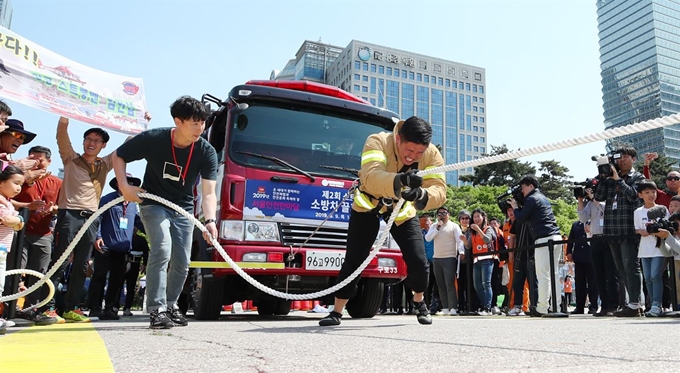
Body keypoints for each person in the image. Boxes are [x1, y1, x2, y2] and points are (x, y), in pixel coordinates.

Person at [318, 116, 446, 326]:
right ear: (398, 139)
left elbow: (440, 190)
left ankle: (419, 302)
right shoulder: (377, 141)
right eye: (409, 151)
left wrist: (421, 195)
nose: (413, 157)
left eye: (419, 153)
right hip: (368, 205)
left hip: (401, 209)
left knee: (419, 260)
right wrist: (401, 180)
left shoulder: (431, 153)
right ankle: (337, 311)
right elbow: (371, 176)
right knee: (355, 259)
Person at [113, 96, 218, 329]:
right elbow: (118, 156)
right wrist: (124, 186)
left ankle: (171, 304)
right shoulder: (155, 138)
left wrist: (210, 220)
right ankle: (157, 309)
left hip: (184, 208)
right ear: (178, 121)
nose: (199, 129)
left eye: (202, 123)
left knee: (182, 260)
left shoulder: (206, 151)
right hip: (153, 202)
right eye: (194, 123)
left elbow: (209, 192)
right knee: (161, 249)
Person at [40, 117, 118, 322]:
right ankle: (46, 307)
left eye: (97, 141)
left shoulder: (105, 164)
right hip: (70, 214)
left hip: (92, 218)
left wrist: (139, 124)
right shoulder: (70, 158)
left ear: (103, 145)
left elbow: (126, 149)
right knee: (61, 261)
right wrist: (64, 115)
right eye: (88, 139)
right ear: (83, 141)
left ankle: (71, 308)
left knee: (83, 264)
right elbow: (61, 137)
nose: (92, 143)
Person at [593, 146, 645, 317]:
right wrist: (603, 176)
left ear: (633, 159)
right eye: (618, 157)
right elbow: (599, 197)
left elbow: (633, 197)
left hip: (628, 229)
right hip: (611, 229)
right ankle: (632, 303)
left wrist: (618, 180)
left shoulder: (638, 177)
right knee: (621, 269)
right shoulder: (609, 178)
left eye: (625, 156)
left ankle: (636, 303)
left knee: (631, 266)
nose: (621, 160)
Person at [14, 146, 62, 325]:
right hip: (21, 231)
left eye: (39, 160)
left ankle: (30, 308)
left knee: (39, 272)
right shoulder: (20, 179)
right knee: (17, 268)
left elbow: (61, 205)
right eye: (31, 159)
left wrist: (52, 209)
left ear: (49, 162)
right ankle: (12, 306)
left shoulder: (57, 182)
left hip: (44, 233)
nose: (35, 163)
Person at [87, 173, 142, 320]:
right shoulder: (107, 199)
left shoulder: (133, 204)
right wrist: (97, 237)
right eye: (126, 182)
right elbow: (97, 218)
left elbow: (138, 222)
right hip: (105, 246)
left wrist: (154, 231)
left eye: (131, 183)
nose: (129, 185)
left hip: (123, 248)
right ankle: (95, 308)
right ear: (118, 184)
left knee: (117, 279)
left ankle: (111, 308)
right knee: (100, 276)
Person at [510, 175, 562, 316]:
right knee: (554, 273)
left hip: (544, 239)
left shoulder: (532, 199)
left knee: (543, 274)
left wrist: (515, 207)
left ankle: (542, 308)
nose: (522, 191)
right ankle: (555, 306)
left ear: (531, 186)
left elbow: (520, 218)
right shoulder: (543, 198)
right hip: (556, 237)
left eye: (523, 188)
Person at [577, 183, 619, 316]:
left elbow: (605, 210)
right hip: (595, 239)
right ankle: (604, 306)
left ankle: (613, 305)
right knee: (599, 274)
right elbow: (583, 218)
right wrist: (580, 201)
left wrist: (595, 198)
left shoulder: (609, 200)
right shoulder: (589, 204)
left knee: (611, 275)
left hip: (609, 238)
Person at [634, 180, 671, 317]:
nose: (651, 195)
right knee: (648, 278)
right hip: (644, 249)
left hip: (659, 248)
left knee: (656, 276)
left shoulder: (662, 209)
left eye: (653, 192)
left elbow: (667, 227)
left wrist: (657, 230)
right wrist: (640, 231)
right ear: (640, 195)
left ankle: (657, 304)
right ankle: (651, 304)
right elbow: (636, 228)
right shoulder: (638, 212)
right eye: (647, 192)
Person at [0, 166, 27, 332]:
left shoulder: (8, 202)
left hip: (3, 249)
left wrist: (17, 220)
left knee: (0, 285)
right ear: (1, 182)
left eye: (21, 185)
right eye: (15, 183)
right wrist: (18, 219)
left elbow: (17, 226)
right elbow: (9, 220)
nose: (18, 188)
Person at [425, 206, 464, 315]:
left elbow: (459, 240)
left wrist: (461, 252)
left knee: (449, 283)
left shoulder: (454, 226)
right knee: (440, 284)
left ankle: (453, 307)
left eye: (444, 213)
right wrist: (437, 228)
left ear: (448, 214)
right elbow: (428, 238)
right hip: (437, 258)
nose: (442, 216)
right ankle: (445, 307)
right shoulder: (434, 226)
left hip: (449, 257)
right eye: (439, 214)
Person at [460, 208, 497, 316]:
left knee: (486, 283)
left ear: (483, 217)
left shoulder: (488, 228)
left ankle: (488, 307)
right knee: (477, 285)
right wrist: (465, 240)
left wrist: (478, 230)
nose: (476, 219)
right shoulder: (472, 232)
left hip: (487, 258)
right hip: (476, 260)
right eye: (474, 217)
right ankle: (484, 305)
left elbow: (487, 240)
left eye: (478, 216)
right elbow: (469, 246)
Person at [566, 220, 598, 314]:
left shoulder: (594, 222)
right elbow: (571, 239)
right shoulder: (576, 224)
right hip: (579, 257)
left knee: (592, 283)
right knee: (580, 283)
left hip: (591, 256)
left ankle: (593, 306)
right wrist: (569, 252)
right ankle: (579, 307)